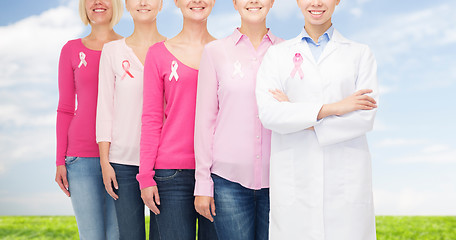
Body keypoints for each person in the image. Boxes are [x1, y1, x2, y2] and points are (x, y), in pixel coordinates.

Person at [255, 0, 379, 239]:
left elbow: (364, 117)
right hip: (295, 182)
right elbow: (269, 114)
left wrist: (295, 113)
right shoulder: (277, 55)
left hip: (346, 183)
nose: (317, 3)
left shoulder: (360, 53)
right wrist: (334, 108)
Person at [193, 0, 282, 239]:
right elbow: (204, 121)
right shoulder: (215, 52)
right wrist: (202, 183)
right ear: (234, 3)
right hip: (228, 182)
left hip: (280, 181)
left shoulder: (287, 52)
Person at [136, 0, 218, 239]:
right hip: (170, 174)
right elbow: (151, 118)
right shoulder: (158, 53)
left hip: (217, 172)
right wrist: (145, 176)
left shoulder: (224, 52)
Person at [96, 0, 167, 239]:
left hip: (164, 163)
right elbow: (105, 108)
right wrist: (105, 162)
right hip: (122, 164)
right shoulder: (112, 51)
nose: (143, 2)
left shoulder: (172, 49)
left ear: (161, 4)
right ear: (126, 5)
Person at [54, 0, 123, 239]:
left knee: (118, 235)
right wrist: (59, 160)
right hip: (80, 159)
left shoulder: (128, 48)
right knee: (92, 235)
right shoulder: (71, 50)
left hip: (121, 157)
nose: (97, 2)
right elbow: (65, 108)